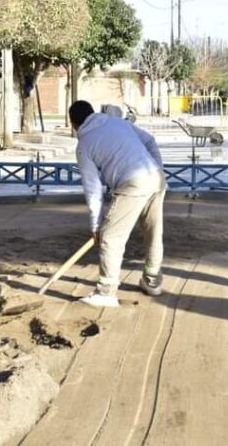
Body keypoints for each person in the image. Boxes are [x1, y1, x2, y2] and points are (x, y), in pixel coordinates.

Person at [71, 100, 166, 307]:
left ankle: (106, 292)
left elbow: (93, 188)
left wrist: (96, 225)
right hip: (156, 177)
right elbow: (150, 141)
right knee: (153, 231)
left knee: (110, 237)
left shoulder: (84, 144)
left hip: (133, 182)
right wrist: (157, 169)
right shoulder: (118, 122)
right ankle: (152, 281)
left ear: (74, 124)